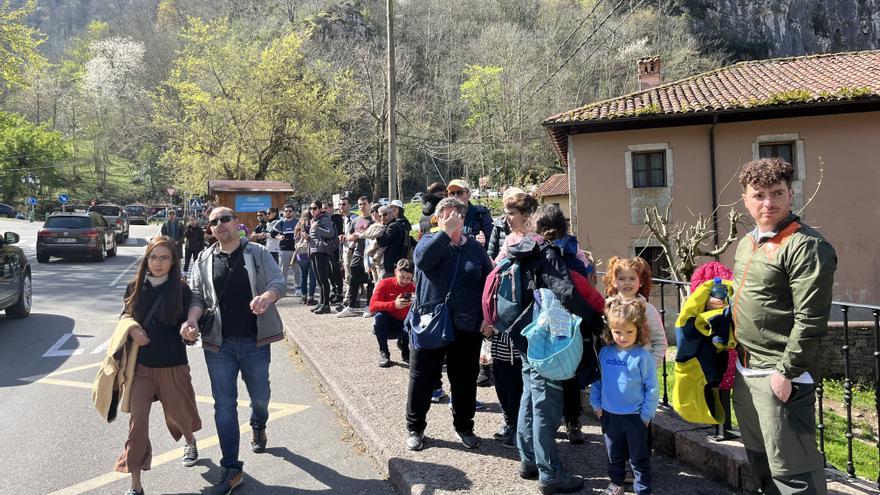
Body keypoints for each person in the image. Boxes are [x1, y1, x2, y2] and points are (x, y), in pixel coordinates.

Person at [724, 158, 836, 494]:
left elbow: (811, 320)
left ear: (791, 195)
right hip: (746, 369)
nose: (768, 203)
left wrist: (786, 372)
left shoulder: (807, 247)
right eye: (758, 195)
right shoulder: (747, 243)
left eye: (777, 193)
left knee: (794, 474)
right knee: (761, 464)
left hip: (779, 374)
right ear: (745, 199)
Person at [181, 207, 286, 494]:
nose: (219, 225)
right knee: (224, 405)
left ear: (236, 223)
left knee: (261, 396)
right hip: (219, 344)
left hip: (254, 341)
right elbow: (197, 296)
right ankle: (231, 468)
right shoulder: (204, 258)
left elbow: (279, 281)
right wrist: (191, 320)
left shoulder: (257, 253)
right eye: (214, 222)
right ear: (211, 229)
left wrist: (267, 296)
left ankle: (258, 423)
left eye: (224, 219)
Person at [503, 203, 604, 494]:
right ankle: (550, 474)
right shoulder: (549, 253)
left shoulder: (522, 249)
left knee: (529, 398)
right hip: (546, 339)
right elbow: (567, 293)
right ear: (560, 229)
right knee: (546, 405)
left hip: (525, 334)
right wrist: (597, 323)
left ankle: (528, 460)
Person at [405, 197, 494, 452]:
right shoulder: (426, 242)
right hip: (431, 323)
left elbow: (487, 283)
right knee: (422, 377)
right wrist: (444, 232)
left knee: (464, 379)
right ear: (437, 218)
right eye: (445, 214)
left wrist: (488, 317)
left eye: (456, 214)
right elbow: (422, 261)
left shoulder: (474, 249)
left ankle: (465, 426)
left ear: (464, 219)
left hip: (467, 325)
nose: (452, 218)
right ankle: (415, 428)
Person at [116, 237, 202, 495]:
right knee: (137, 423)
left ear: (173, 262)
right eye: (154, 257)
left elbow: (194, 321)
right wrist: (132, 329)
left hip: (172, 364)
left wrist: (190, 329)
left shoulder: (181, 290)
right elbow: (125, 316)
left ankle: (189, 440)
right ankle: (135, 484)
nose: (158, 263)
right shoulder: (134, 287)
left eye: (165, 258)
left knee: (180, 414)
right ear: (146, 260)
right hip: (140, 368)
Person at [534, 203, 606, 445]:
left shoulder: (539, 250)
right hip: (577, 319)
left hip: (547, 321)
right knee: (571, 374)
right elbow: (587, 279)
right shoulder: (575, 251)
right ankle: (573, 423)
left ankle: (549, 425)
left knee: (547, 376)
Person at [590, 298, 659, 495]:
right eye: (617, 332)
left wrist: (646, 416)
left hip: (635, 416)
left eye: (629, 331)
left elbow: (652, 388)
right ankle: (617, 484)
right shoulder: (604, 353)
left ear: (638, 330)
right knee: (614, 455)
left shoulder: (642, 356)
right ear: (610, 330)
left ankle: (643, 489)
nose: (623, 336)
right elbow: (598, 381)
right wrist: (596, 403)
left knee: (639, 457)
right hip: (610, 415)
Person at [487, 188, 538, 449]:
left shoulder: (539, 241)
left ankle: (521, 428)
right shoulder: (510, 239)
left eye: (511, 213)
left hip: (527, 318)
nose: (506, 218)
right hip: (505, 316)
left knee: (521, 375)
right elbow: (496, 271)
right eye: (506, 213)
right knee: (502, 372)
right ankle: (509, 421)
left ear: (526, 214)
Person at [603, 257, 667, 367]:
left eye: (632, 278)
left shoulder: (647, 309)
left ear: (640, 282)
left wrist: (650, 365)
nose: (627, 283)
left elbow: (660, 342)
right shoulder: (607, 307)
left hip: (639, 369)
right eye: (622, 279)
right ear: (614, 281)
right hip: (613, 367)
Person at [369, 258, 415, 367]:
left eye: (408, 278)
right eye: (402, 277)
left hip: (404, 324)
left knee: (415, 317)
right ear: (395, 272)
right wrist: (394, 304)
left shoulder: (413, 287)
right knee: (379, 316)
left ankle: (405, 348)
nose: (404, 281)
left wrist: (415, 302)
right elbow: (372, 306)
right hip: (388, 324)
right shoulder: (384, 283)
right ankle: (384, 352)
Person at [337, 196, 373, 317]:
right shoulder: (355, 220)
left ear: (369, 204)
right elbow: (348, 236)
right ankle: (350, 306)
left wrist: (363, 235)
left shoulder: (373, 220)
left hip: (370, 254)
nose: (362, 206)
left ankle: (369, 306)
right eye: (359, 204)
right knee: (353, 280)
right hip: (357, 253)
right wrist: (351, 237)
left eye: (364, 204)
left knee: (369, 281)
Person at [307, 200, 337, 314]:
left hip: (322, 252)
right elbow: (314, 236)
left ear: (320, 209)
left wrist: (316, 229)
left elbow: (331, 233)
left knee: (324, 279)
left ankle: (326, 305)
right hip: (314, 251)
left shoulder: (324, 219)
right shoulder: (313, 220)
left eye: (314, 208)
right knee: (319, 280)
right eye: (310, 208)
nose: (312, 210)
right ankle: (321, 302)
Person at [446, 179, 492, 248]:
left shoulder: (481, 213)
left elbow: (493, 241)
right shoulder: (445, 216)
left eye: (459, 192)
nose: (455, 196)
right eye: (452, 193)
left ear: (469, 194)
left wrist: (482, 243)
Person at [271, 204, 301, 292]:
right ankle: (282, 290)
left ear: (293, 212)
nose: (288, 213)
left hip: (296, 250)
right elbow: (272, 233)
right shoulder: (280, 222)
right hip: (284, 250)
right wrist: (278, 237)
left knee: (297, 271)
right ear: (284, 212)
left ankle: (298, 289)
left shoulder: (298, 222)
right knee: (283, 272)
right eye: (286, 211)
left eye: (290, 211)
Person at [376, 203, 408, 276]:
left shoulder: (392, 226)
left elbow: (382, 243)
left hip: (394, 263)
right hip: (397, 262)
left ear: (392, 214)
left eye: (385, 214)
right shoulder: (396, 224)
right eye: (380, 216)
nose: (382, 217)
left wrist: (378, 232)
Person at [294, 210, 317, 305]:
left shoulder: (298, 226)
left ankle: (304, 297)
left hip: (300, 254)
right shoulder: (311, 225)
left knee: (303, 276)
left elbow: (294, 238)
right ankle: (311, 297)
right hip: (310, 253)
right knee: (312, 277)